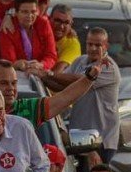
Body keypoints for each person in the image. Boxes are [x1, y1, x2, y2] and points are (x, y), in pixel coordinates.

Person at [44, 27, 120, 163]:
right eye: (90, 44)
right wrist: (42, 78)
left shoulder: (108, 67)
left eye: (98, 45)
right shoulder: (80, 61)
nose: (93, 48)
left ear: (106, 46)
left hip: (100, 140)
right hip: (79, 138)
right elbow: (62, 85)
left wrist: (48, 74)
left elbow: (79, 80)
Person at [0, 0, 58, 72]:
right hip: (16, 75)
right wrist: (17, 64)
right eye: (25, 12)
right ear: (16, 12)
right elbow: (8, 60)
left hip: (40, 73)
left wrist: (41, 64)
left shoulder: (43, 24)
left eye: (33, 11)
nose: (29, 16)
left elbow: (51, 55)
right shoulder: (8, 26)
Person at [48, 5, 81, 72]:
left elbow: (58, 71)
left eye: (66, 23)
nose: (61, 26)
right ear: (49, 19)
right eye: (57, 21)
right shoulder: (39, 34)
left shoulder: (72, 43)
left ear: (71, 24)